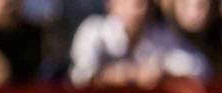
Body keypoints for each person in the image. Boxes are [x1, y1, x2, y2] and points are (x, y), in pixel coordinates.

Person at [70, 0, 210, 82]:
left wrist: (163, 73)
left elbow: (200, 68)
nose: (138, 7)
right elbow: (79, 76)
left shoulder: (160, 36)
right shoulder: (93, 30)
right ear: (111, 3)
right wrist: (119, 74)